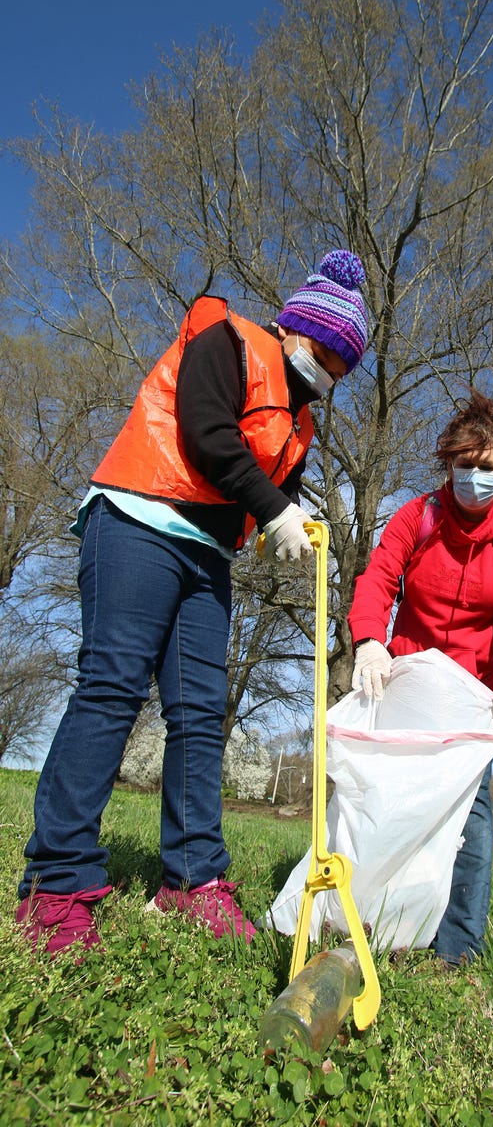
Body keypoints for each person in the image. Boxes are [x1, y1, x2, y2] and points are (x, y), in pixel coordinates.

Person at [16, 249, 369, 957]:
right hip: (139, 521)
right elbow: (208, 436)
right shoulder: (226, 338)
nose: (328, 371)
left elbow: (276, 489)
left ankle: (191, 880)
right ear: (295, 327)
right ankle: (56, 884)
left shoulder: (300, 423)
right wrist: (273, 510)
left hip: (207, 555)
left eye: (342, 366)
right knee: (113, 688)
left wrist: (292, 520)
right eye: (325, 351)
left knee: (201, 715)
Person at [348, 390, 493, 966]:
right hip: (408, 681)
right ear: (448, 466)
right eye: (465, 466)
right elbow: (380, 575)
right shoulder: (418, 517)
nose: (475, 478)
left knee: (472, 813)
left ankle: (457, 949)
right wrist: (368, 638)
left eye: (487, 468)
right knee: (387, 802)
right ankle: (372, 920)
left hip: (473, 695)